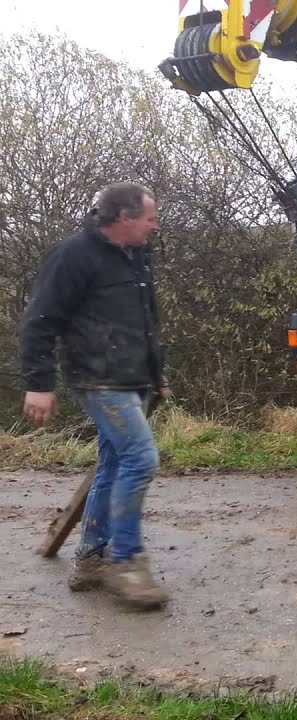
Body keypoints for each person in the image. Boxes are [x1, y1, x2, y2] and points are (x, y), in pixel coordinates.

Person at [20, 181, 172, 611]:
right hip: (97, 379)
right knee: (141, 459)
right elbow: (39, 322)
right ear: (124, 218)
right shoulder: (73, 256)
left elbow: (146, 319)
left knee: (114, 461)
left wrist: (155, 374)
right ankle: (126, 562)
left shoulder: (136, 254)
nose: (154, 226)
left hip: (132, 377)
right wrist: (39, 384)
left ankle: (90, 559)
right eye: (149, 218)